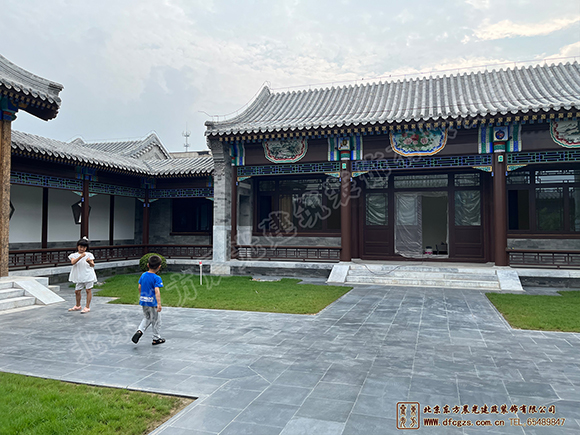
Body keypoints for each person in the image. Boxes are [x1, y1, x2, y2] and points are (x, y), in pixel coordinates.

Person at [132, 255, 165, 345]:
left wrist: (141, 295)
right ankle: (156, 338)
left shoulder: (143, 275)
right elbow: (157, 291)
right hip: (152, 302)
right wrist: (159, 303)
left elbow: (139, 286)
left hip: (144, 300)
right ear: (159, 267)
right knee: (156, 320)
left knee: (147, 317)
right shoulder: (156, 278)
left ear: (147, 265)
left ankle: (140, 331)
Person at [67, 237, 97, 314]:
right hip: (79, 275)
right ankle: (78, 305)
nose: (82, 249)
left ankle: (87, 306)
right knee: (77, 291)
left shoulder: (89, 254)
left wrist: (89, 262)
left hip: (88, 274)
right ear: (78, 247)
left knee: (88, 290)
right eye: (80, 247)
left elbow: (92, 265)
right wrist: (80, 257)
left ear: (86, 248)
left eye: (83, 247)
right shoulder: (73, 255)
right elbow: (73, 262)